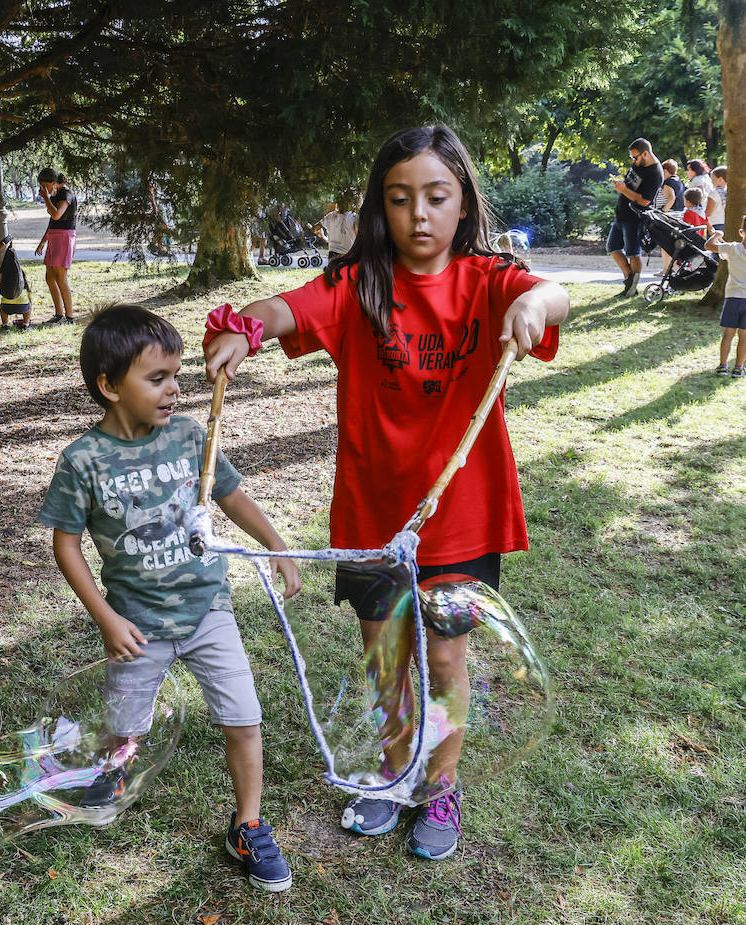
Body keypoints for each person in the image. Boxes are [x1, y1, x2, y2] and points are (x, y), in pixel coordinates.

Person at [204, 123, 569, 862]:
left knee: (446, 659)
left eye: (437, 197)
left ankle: (440, 784)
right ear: (381, 207)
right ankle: (392, 769)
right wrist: (246, 330)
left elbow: (551, 292)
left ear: (463, 203)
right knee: (385, 654)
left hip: (463, 517)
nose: (419, 215)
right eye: (400, 200)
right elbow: (287, 308)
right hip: (372, 519)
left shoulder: (490, 279)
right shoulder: (356, 284)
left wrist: (536, 307)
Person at [37, 304, 302, 893]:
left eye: (176, 375)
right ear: (109, 386)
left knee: (244, 717)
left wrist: (277, 545)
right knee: (126, 725)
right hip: (137, 623)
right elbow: (66, 544)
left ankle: (248, 824)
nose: (174, 388)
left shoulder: (189, 435)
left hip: (209, 610)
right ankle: (113, 770)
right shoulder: (83, 460)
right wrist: (105, 618)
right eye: (156, 379)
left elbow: (231, 496)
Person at [608, 138, 663, 297]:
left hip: (635, 217)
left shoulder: (655, 173)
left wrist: (623, 190)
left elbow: (644, 200)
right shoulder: (639, 164)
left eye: (635, 157)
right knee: (612, 247)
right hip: (621, 214)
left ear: (645, 153)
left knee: (633, 252)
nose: (633, 161)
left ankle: (631, 287)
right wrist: (621, 185)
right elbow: (629, 183)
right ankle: (629, 280)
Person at [35, 168, 77, 324]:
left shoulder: (66, 194)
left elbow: (57, 214)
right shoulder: (54, 195)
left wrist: (46, 198)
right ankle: (59, 314)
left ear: (54, 183)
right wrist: (42, 242)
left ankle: (70, 316)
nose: (42, 189)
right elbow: (53, 221)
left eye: (45, 185)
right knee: (50, 277)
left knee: (61, 277)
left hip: (64, 237)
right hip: (54, 235)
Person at [706, 215, 746, 378]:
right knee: (744, 335)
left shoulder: (732, 248)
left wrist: (718, 235)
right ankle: (738, 367)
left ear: (741, 232)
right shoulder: (731, 248)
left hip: (733, 297)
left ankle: (722, 366)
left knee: (728, 334)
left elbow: (709, 245)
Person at [313, 194, 360, 263]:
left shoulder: (330, 216)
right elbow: (358, 236)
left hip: (333, 255)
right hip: (348, 255)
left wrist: (320, 234)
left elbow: (316, 227)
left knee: (333, 273)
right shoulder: (354, 217)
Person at [710, 166, 729, 235]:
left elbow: (708, 213)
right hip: (725, 223)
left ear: (720, 179)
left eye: (713, 179)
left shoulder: (714, 193)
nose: (711, 182)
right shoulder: (729, 192)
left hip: (714, 224)